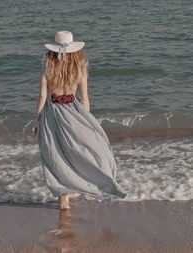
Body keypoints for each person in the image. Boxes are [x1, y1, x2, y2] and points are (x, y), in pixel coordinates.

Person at [32, 31, 126, 209]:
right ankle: (96, 183)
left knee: (56, 155)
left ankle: (63, 199)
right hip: (74, 113)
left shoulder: (47, 66)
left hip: (52, 114)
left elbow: (42, 96)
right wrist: (86, 122)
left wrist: (37, 120)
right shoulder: (80, 66)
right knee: (80, 152)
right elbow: (85, 99)